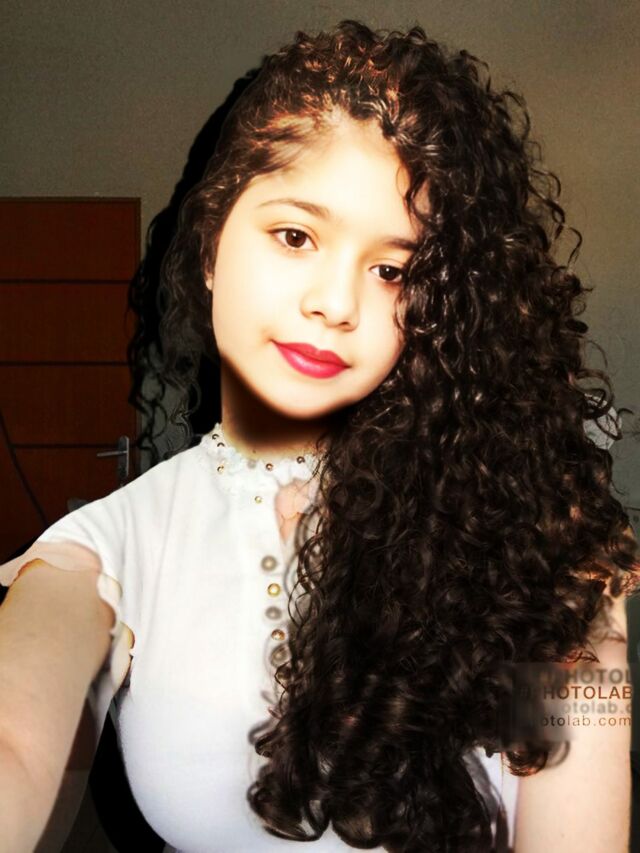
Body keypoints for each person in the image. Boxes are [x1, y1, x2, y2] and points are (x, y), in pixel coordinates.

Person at [1, 19, 638, 853]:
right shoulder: (107, 550)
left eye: (392, 270)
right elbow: (16, 742)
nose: (336, 302)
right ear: (211, 246)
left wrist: (592, 635)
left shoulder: (544, 551)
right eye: (295, 236)